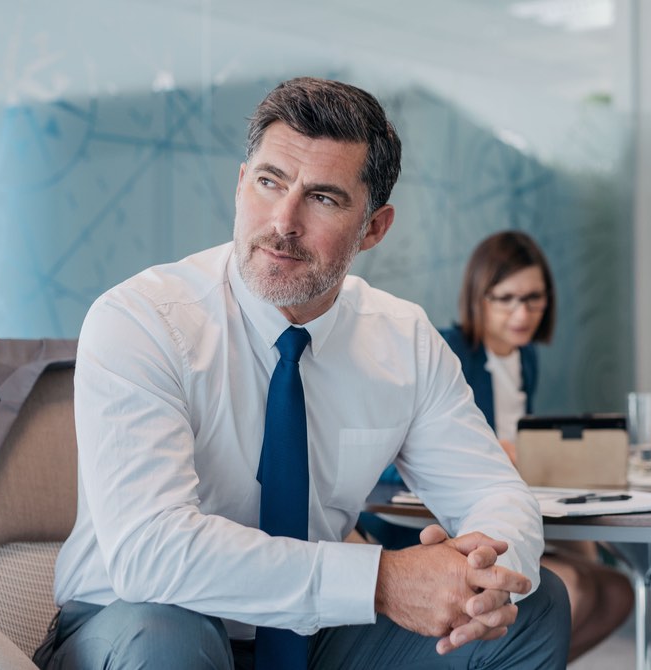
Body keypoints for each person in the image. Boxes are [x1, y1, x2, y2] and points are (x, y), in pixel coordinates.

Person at [41, 77, 570, 670]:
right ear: (241, 185)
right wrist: (380, 581)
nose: (283, 220)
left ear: (374, 228)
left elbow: (495, 492)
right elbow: (151, 554)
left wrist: (486, 574)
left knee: (537, 604)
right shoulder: (141, 320)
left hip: (313, 632)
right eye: (269, 182)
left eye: (323, 198)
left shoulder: (403, 340)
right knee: (167, 636)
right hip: (138, 620)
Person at [361, 230, 634, 661]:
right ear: (478, 297)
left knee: (618, 590)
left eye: (534, 298)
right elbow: (387, 460)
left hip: (509, 520)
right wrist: (495, 455)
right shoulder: (447, 351)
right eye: (506, 298)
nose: (522, 313)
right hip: (426, 534)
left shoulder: (526, 358)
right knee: (574, 588)